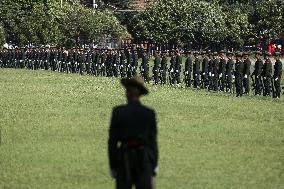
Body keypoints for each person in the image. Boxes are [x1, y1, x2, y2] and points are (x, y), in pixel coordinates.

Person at [108, 76, 158, 189]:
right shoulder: (149, 113)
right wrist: (154, 164)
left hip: (124, 158)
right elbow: (152, 142)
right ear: (140, 94)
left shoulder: (118, 112)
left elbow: (112, 142)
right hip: (144, 159)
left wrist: (113, 165)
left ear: (127, 93)